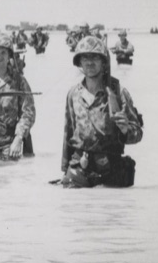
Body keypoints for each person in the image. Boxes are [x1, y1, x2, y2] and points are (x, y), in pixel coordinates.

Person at [61, 36, 143, 187]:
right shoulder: (73, 94)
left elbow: (138, 133)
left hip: (111, 170)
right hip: (79, 168)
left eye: (95, 58)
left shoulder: (118, 93)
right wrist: (64, 169)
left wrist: (125, 130)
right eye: (85, 57)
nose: (90, 62)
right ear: (79, 62)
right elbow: (69, 134)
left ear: (104, 62)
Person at [0, 34, 36, 161]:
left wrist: (18, 138)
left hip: (13, 141)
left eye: (3, 53)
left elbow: (28, 112)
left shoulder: (19, 81)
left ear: (9, 55)